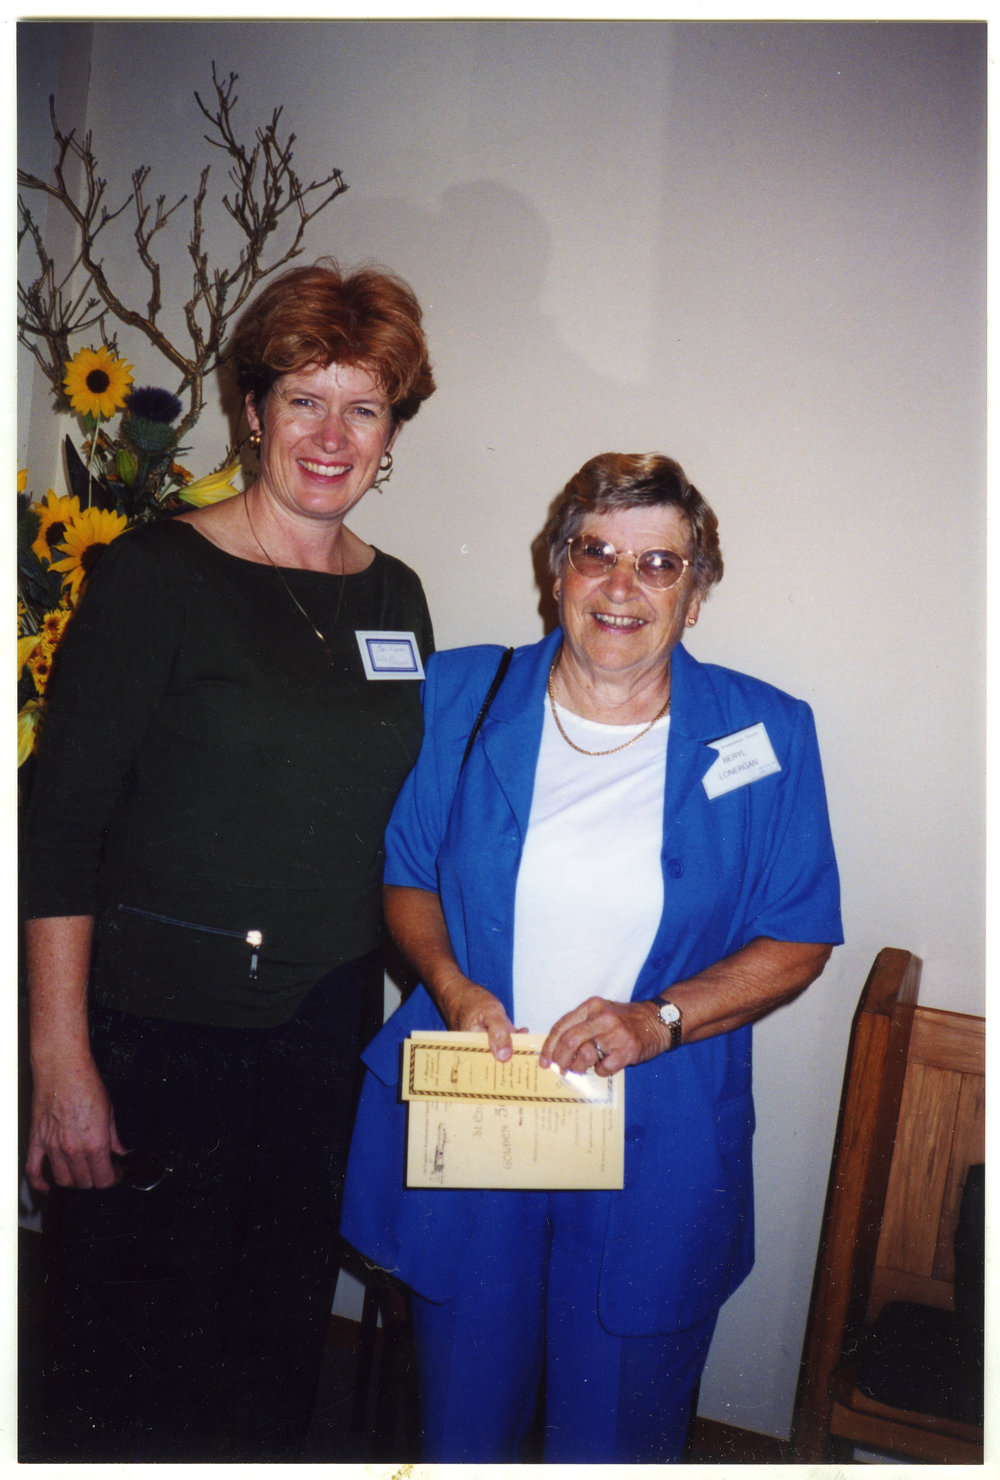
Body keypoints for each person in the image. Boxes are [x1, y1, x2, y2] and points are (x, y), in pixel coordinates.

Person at [340, 451, 842, 1464]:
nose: (622, 585)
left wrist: (653, 1019)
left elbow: (798, 935)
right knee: (462, 1426)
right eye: (596, 553)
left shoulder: (765, 731)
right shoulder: (463, 693)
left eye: (659, 564)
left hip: (656, 1137)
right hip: (485, 1109)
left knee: (614, 1433)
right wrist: (450, 983)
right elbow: (407, 875)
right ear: (553, 567)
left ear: (695, 595)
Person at [22, 259, 436, 1461]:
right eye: (303, 398)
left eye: (364, 407)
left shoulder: (396, 597)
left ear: (392, 432)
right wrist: (58, 1057)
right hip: (159, 1034)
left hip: (320, 1030)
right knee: (128, 1354)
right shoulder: (154, 574)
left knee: (272, 1343)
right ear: (250, 410)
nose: (330, 434)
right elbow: (58, 831)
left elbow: (405, 816)